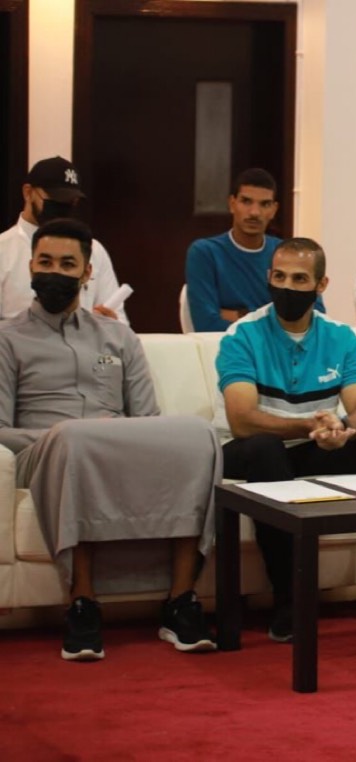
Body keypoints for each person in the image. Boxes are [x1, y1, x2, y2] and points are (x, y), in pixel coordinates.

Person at [0, 218, 219, 661]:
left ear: (87, 273)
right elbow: (1, 428)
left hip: (114, 446)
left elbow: (147, 419)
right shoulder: (7, 338)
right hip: (45, 450)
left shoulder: (118, 336)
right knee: (76, 439)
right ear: (31, 267)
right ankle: (83, 604)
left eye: (67, 264)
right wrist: (61, 436)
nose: (55, 272)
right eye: (45, 262)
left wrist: (105, 436)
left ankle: (181, 600)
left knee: (200, 435)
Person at [216, 236, 356, 642]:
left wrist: (342, 430)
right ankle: (289, 601)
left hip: (311, 446)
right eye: (279, 277)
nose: (287, 287)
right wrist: (311, 426)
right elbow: (242, 421)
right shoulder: (242, 335)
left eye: (299, 279)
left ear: (321, 285)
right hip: (250, 451)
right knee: (266, 450)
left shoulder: (341, 337)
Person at [185, 168, 324, 332]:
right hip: (228, 346)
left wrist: (240, 314)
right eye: (246, 201)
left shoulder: (287, 254)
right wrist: (279, 320)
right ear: (232, 204)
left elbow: (316, 318)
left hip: (286, 348)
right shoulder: (205, 253)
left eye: (265, 204)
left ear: (274, 210)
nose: (254, 212)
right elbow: (207, 325)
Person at [0, 156, 126, 322]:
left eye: (70, 201)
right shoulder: (3, 251)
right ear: (28, 193)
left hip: (86, 337)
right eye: (55, 199)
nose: (62, 207)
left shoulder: (93, 250)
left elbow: (119, 320)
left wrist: (110, 324)